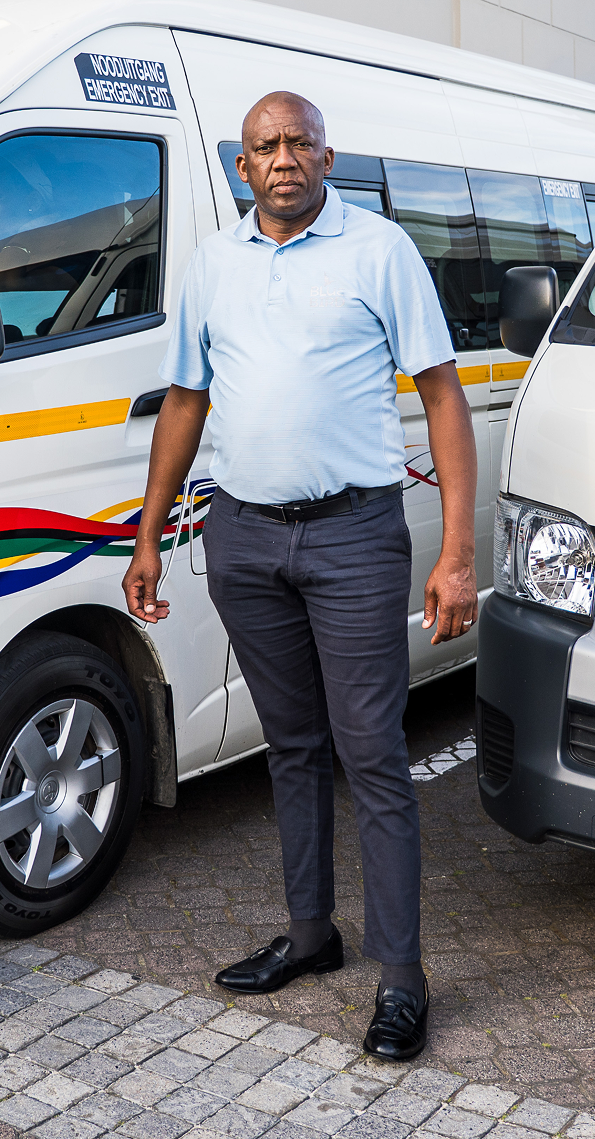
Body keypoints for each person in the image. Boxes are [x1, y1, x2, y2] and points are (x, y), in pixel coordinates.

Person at [121, 91, 478, 1062]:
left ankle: (403, 978)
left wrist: (456, 552)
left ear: (328, 156)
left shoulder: (380, 252)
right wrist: (148, 535)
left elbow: (443, 398)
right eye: (264, 147)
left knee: (372, 754)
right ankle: (312, 933)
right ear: (244, 169)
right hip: (244, 539)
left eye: (299, 143)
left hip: (355, 538)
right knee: (292, 746)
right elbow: (186, 401)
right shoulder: (213, 266)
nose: (282, 158)